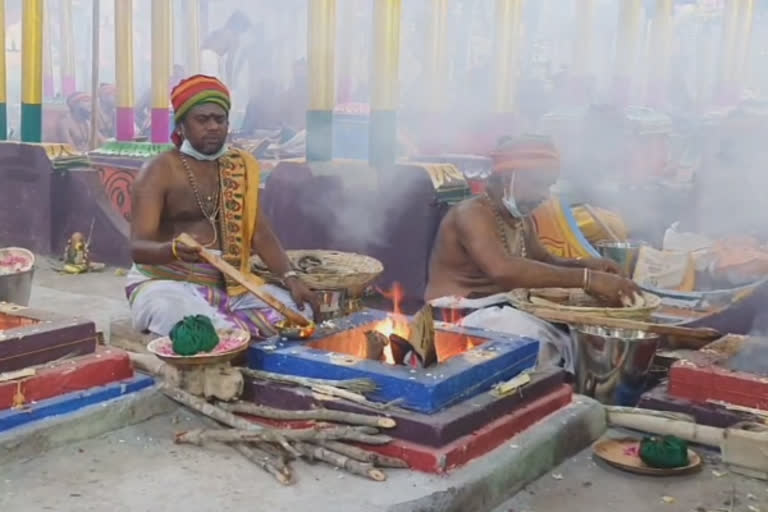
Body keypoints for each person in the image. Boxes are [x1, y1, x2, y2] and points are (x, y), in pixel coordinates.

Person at [425, 135, 641, 372]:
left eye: (549, 186)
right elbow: (503, 270)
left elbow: (544, 261)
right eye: (540, 184)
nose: (545, 195)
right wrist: (587, 280)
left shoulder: (518, 217)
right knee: (532, 338)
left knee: (580, 333)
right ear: (510, 177)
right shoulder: (471, 214)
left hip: (499, 310)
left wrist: (588, 266)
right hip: (458, 321)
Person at [126, 74, 319, 338]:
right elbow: (138, 249)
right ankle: (231, 331)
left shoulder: (239, 166)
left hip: (231, 285)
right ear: (181, 125)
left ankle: (233, 331)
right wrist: (172, 249)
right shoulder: (159, 170)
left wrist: (291, 277)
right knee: (190, 322)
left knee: (299, 314)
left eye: (220, 119)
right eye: (202, 120)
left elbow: (259, 233)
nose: (213, 127)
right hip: (167, 282)